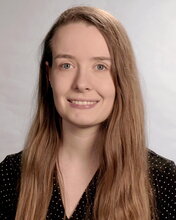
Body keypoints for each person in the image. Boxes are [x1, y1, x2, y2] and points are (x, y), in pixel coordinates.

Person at [0, 6, 176, 220]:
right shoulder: (10, 174)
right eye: (66, 65)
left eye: (100, 67)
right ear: (49, 74)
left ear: (121, 78)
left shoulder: (165, 181)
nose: (82, 83)